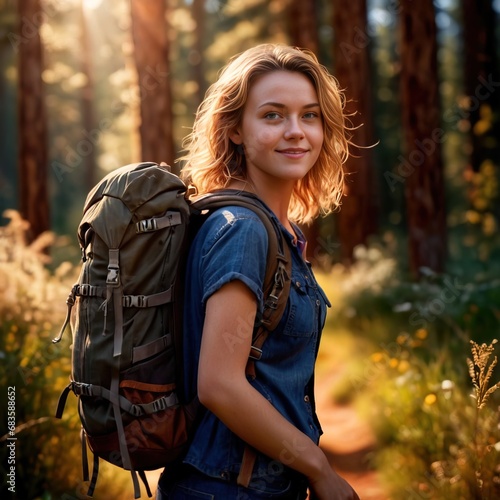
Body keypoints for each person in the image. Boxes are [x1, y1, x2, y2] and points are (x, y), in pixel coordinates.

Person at [157, 44, 359, 499]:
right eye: (272, 116)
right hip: (229, 488)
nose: (296, 131)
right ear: (234, 130)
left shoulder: (270, 228)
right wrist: (319, 469)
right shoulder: (243, 230)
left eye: (309, 116)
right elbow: (219, 384)